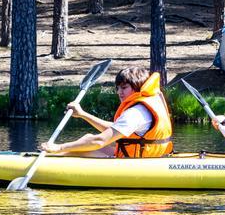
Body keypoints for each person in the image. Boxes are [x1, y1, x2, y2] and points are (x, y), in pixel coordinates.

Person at [40, 66, 174, 158]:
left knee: (79, 150)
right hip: (151, 157)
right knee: (87, 139)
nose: (119, 92)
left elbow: (100, 140)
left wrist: (60, 147)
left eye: (124, 88)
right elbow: (115, 129)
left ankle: (51, 158)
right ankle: (52, 155)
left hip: (135, 164)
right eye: (117, 88)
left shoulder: (135, 113)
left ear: (138, 87)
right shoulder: (145, 106)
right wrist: (83, 114)